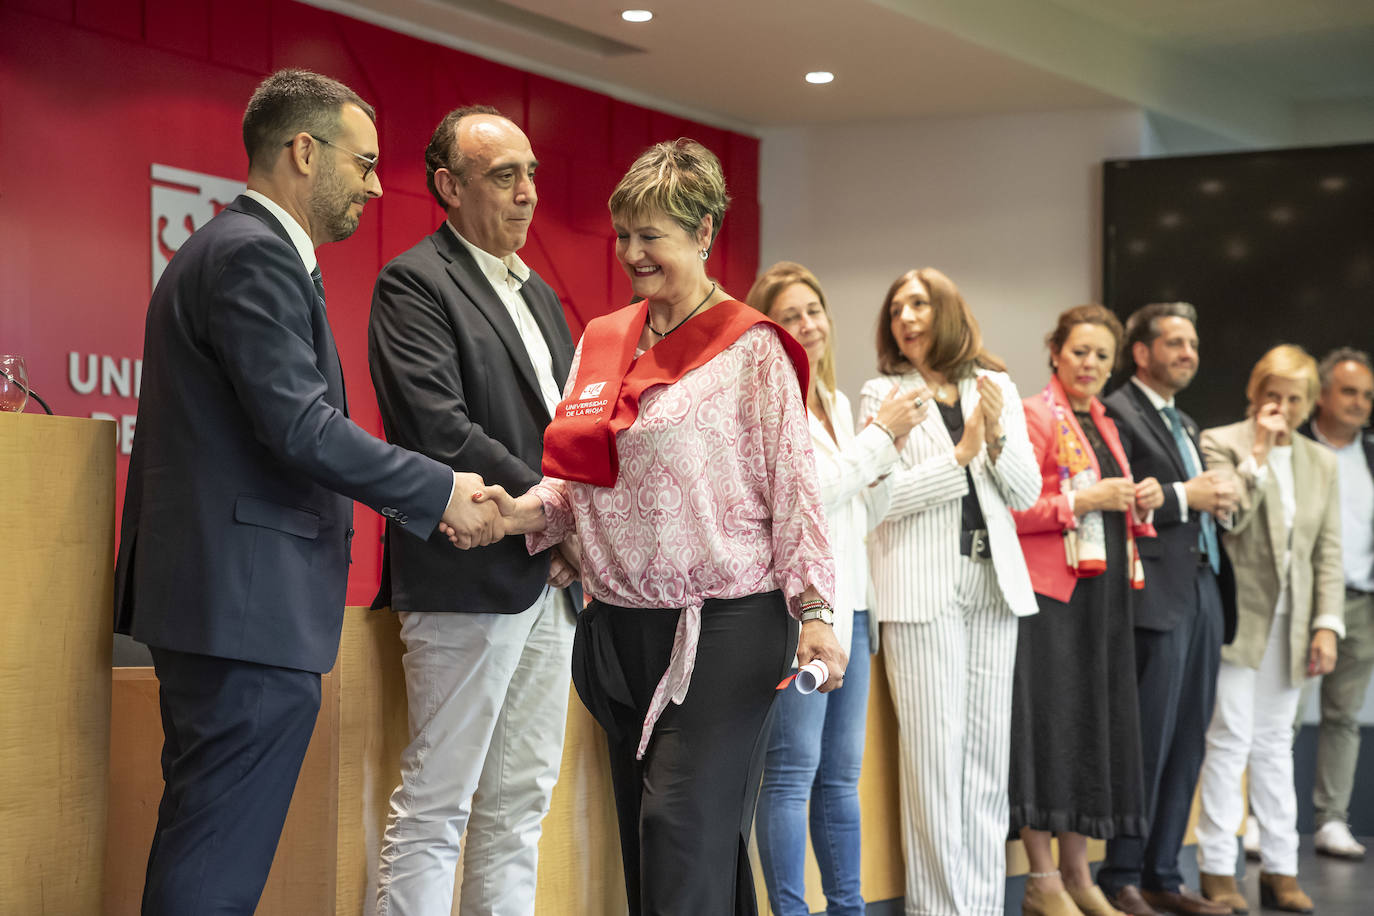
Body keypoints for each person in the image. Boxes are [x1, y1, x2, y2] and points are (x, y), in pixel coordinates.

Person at [112, 70, 503, 916]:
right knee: (217, 859)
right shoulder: (252, 253)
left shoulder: (231, 249)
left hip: (231, 607)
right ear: (302, 150)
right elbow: (301, 428)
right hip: (244, 611)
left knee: (208, 842)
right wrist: (438, 492)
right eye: (362, 163)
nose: (371, 184)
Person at [490, 139, 846, 915]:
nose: (633, 253)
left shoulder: (754, 350)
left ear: (705, 232)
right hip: (619, 625)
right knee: (672, 842)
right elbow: (576, 481)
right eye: (624, 235)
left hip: (727, 625)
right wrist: (518, 515)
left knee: (676, 828)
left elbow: (795, 487)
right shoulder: (601, 341)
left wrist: (815, 611)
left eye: (652, 235)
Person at [366, 106, 579, 915]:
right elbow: (440, 427)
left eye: (530, 174)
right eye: (503, 176)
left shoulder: (545, 299)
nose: (526, 193)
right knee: (437, 806)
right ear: (449, 186)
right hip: (465, 575)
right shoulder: (415, 281)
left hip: (550, 583)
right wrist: (557, 515)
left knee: (519, 809)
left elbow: (573, 433)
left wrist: (562, 520)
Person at [746, 262, 926, 916]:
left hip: (851, 606)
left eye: (813, 311)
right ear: (769, 330)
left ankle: (847, 908)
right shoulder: (774, 401)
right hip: (801, 614)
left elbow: (854, 511)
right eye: (790, 316)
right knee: (792, 774)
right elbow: (808, 499)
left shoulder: (838, 401)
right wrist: (880, 443)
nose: (807, 325)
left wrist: (886, 459)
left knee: (840, 779)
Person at [861, 267, 1042, 916]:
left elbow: (1024, 493)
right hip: (920, 592)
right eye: (897, 308)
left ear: (949, 312)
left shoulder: (995, 387)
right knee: (935, 767)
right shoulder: (885, 394)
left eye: (920, 304)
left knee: (987, 768)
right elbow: (876, 501)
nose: (907, 317)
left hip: (992, 585)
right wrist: (959, 456)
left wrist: (992, 437)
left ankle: (983, 907)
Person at [1011, 304, 1162, 916]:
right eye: (1080, 352)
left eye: (1102, 355)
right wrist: (1084, 498)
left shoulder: (1104, 420)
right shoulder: (1033, 414)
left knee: (1088, 732)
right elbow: (1018, 510)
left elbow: (1112, 504)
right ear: (1055, 352)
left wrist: (1140, 501)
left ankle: (1078, 875)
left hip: (1102, 600)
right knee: (1050, 730)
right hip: (1052, 599)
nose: (1091, 364)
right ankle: (1041, 879)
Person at [1096, 303, 1236, 916]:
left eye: (1193, 343)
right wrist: (1188, 495)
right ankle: (1121, 874)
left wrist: (1220, 503)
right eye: (1175, 342)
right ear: (1142, 352)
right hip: (1153, 595)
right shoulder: (1117, 414)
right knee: (1148, 738)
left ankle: (1162, 876)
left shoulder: (1183, 419)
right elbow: (1121, 500)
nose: (1189, 353)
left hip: (1204, 588)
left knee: (1187, 740)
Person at [1196, 344, 1344, 915]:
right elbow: (1231, 522)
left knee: (1276, 746)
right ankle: (1216, 868)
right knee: (1229, 739)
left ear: (1309, 405)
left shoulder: (1320, 462)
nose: (1280, 407)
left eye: (1293, 398)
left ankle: (1281, 869)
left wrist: (1326, 626)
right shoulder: (1221, 442)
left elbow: (1327, 551)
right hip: (1238, 618)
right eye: (1271, 395)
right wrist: (1257, 452)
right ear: (1254, 395)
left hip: (1295, 622)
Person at [1298, 348, 1374, 861]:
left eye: (1367, 395)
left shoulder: (1371, 452)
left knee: (1343, 715)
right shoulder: (1294, 445)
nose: (1360, 403)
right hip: (1302, 599)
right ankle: (1260, 816)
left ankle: (1332, 820)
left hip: (1362, 601)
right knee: (1278, 713)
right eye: (1349, 391)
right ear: (1321, 395)